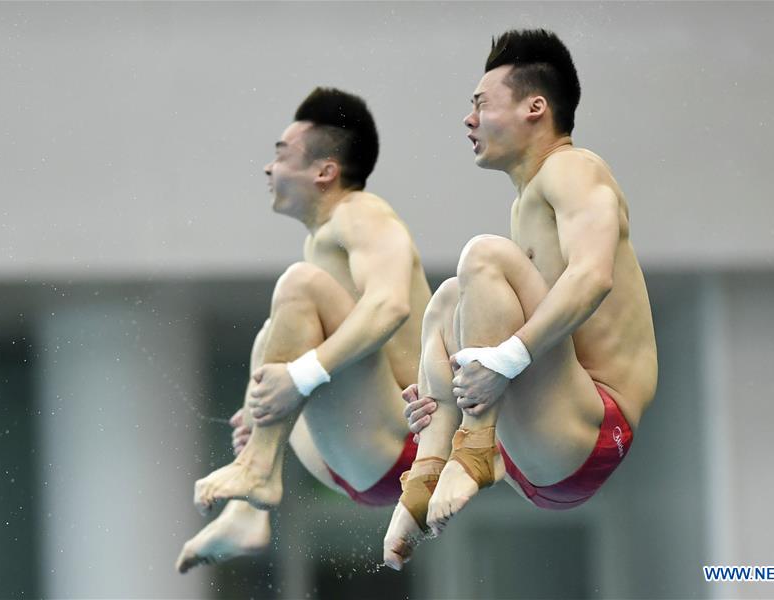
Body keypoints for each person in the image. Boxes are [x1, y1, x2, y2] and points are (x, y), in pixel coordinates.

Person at [382, 29, 658, 570]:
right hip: (545, 442)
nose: (468, 119)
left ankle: (474, 446)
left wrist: (501, 364)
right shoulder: (528, 200)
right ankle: (429, 470)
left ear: (536, 107)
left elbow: (593, 276)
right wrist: (446, 385)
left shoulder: (575, 170)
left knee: (484, 257)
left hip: (597, 427)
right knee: (449, 299)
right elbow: (526, 328)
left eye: (481, 104)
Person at [176, 87, 432, 573]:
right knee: (274, 332)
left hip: (403, 445)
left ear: (324, 171)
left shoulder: (363, 213)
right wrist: (263, 413)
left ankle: (259, 472)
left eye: (281, 155)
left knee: (299, 288)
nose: (269, 169)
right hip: (352, 453)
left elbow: (390, 305)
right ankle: (247, 508)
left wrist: (300, 377)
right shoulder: (322, 240)